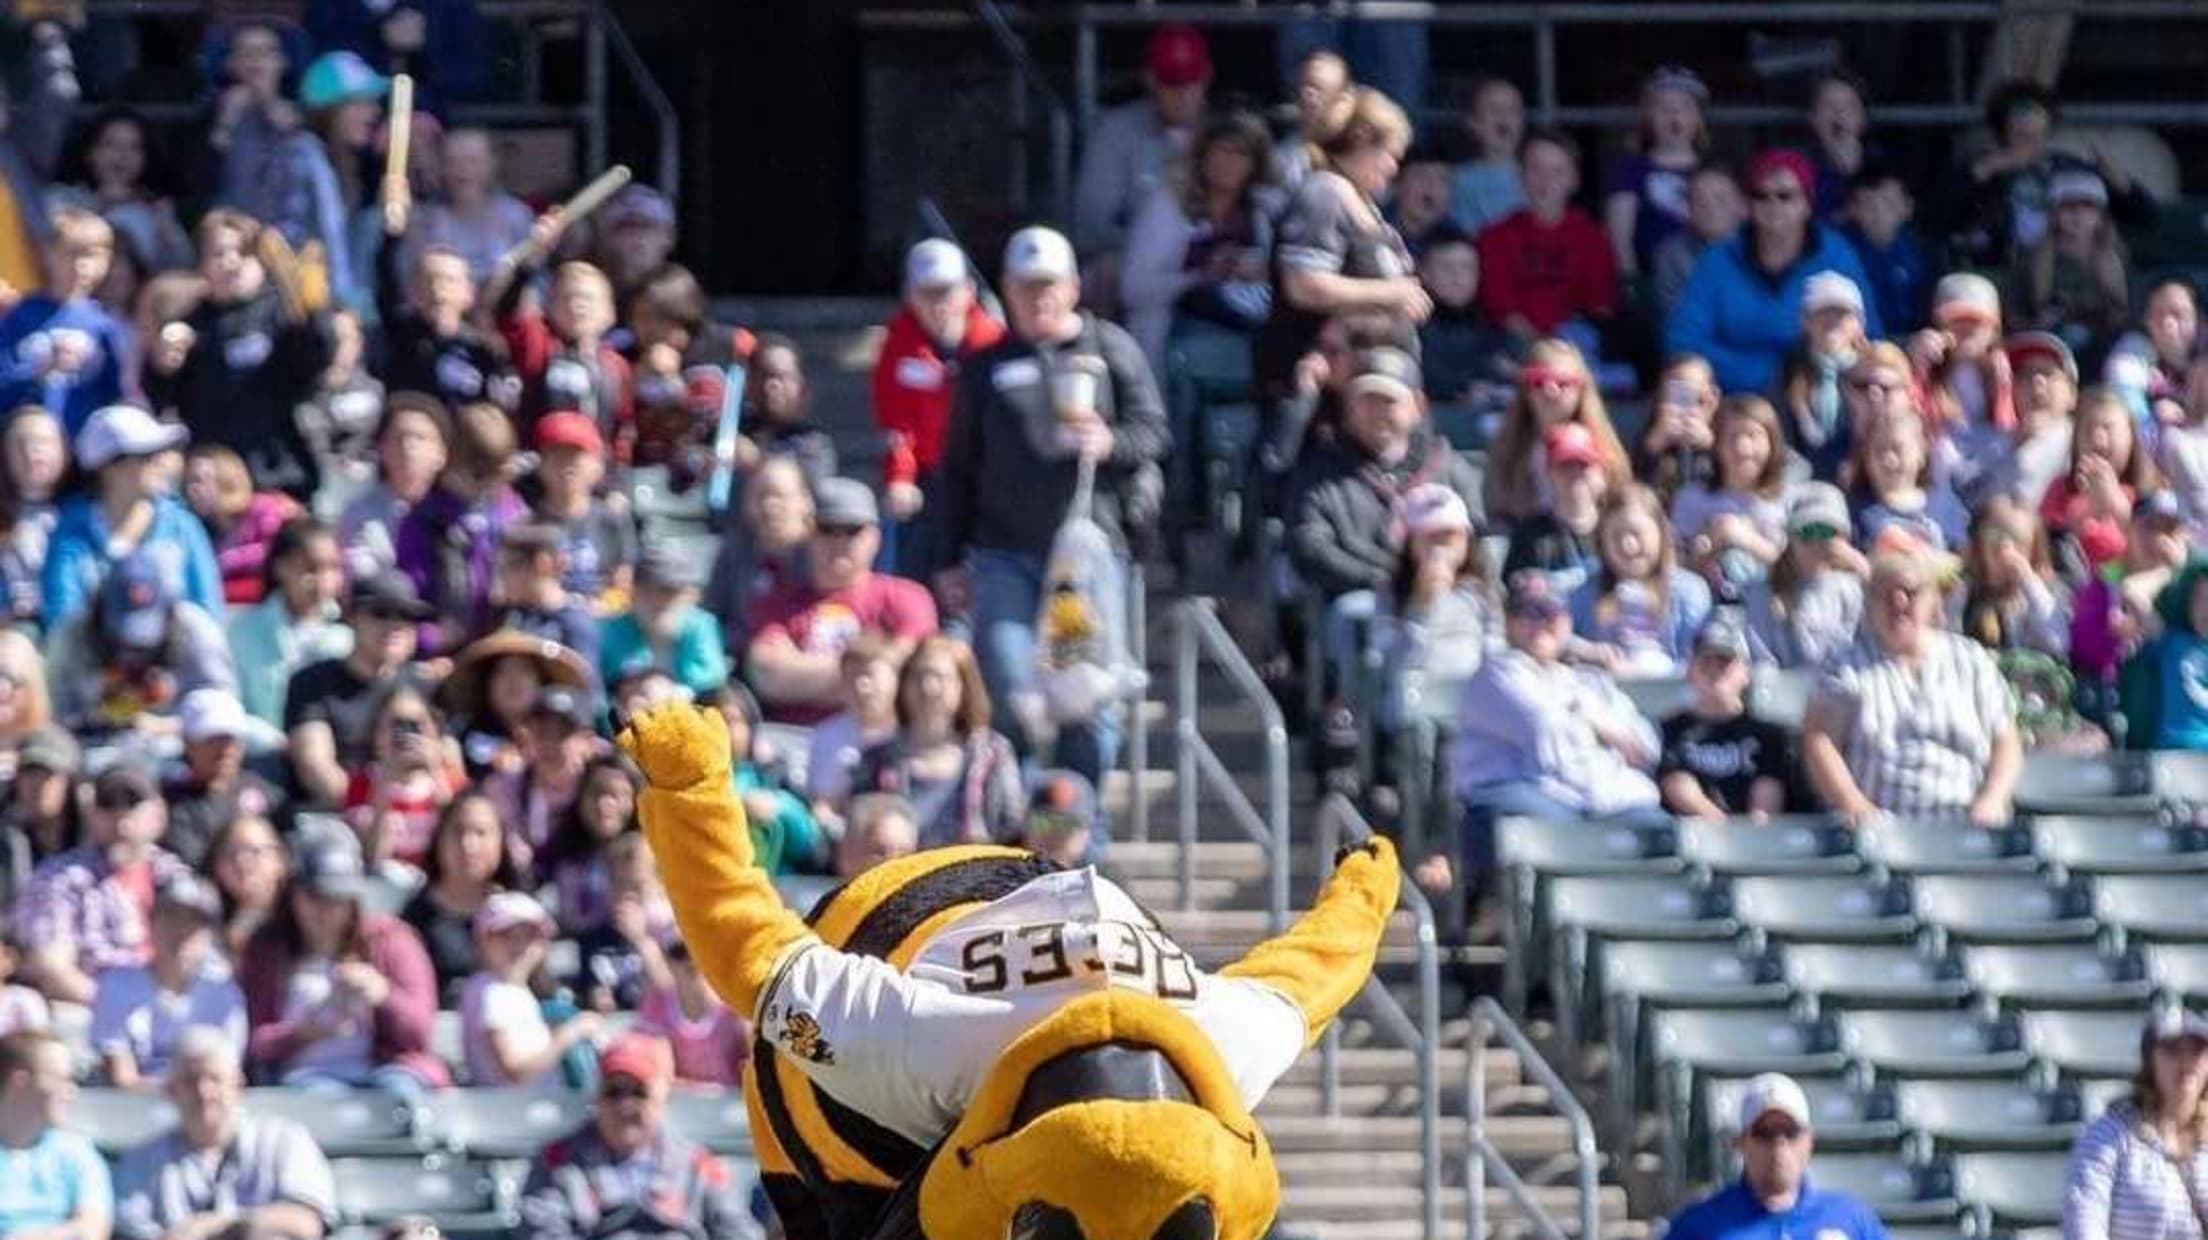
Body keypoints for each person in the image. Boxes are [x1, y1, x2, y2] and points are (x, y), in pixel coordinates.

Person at [616, 699, 1396, 1240]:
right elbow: (753, 954)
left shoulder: (1225, 1036)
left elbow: (1312, 971)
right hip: (877, 1052)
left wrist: (693, 791)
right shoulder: (918, 1043)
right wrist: (694, 792)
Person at [1451, 571, 1671, 870]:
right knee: (1548, 827)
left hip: (1594, 801)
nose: (1540, 622)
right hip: (1521, 794)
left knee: (1658, 828)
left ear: (1567, 622)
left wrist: (1589, 719)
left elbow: (1646, 750)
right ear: (1509, 623)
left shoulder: (1590, 681)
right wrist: (1604, 732)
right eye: (1526, 612)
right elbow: (1548, 737)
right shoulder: (1496, 674)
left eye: (1550, 612)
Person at [1801, 544, 2023, 825]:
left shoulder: (1971, 660)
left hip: (1967, 823)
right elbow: (1819, 741)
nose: (1899, 603)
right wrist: (1853, 804)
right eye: (1885, 594)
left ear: (1933, 601)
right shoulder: (1842, 667)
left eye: (1911, 592)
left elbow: (2006, 741)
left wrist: (1993, 798)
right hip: (1878, 828)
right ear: (1868, 605)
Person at [1252, 87, 1426, 404]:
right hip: (1317, 389)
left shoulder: (1362, 201)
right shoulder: (1324, 193)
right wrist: (1393, 293)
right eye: (1389, 154)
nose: (1393, 168)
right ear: (1361, 140)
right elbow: (1303, 285)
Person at [236, 835, 447, 1095]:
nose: (324, 910)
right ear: (293, 895)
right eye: (314, 897)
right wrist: (303, 1033)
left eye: (336, 899)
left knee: (396, 1095)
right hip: (305, 1077)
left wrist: (382, 995)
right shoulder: (267, 949)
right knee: (314, 1102)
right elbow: (251, 1041)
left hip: (386, 1070)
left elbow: (420, 1033)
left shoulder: (392, 940)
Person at [146, 210, 334, 501]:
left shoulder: (282, 312)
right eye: (217, 254)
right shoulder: (189, 324)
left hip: (281, 475)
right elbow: (162, 401)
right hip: (216, 484)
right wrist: (162, 367)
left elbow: (315, 367)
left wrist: (312, 316)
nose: (231, 263)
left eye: (243, 253)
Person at [1667, 148, 1884, 393]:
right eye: (1761, 195)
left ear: (1807, 203)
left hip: (1822, 396)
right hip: (1734, 402)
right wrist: (1764, 374)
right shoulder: (1717, 259)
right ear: (1749, 205)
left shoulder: (1837, 255)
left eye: (1785, 195)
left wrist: (1810, 374)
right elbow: (1683, 341)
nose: (1772, 204)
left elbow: (1868, 335)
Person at [517, 1031, 760, 1240]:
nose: (625, 1105)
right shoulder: (557, 1163)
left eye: (639, 1092)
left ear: (665, 1098)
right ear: (596, 1096)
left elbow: (739, 1231)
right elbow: (540, 1232)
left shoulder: (698, 1164)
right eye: (613, 1092)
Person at [112, 1027, 337, 1240]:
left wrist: (218, 1225)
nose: (204, 1092)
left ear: (238, 1084)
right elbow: (132, 1230)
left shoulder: (285, 1140)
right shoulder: (142, 1160)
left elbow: (306, 1222)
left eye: (215, 1079)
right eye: (191, 1081)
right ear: (171, 1090)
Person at [748, 478, 935, 725]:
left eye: (852, 530)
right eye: (827, 529)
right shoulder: (779, 600)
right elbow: (768, 675)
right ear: (809, 534)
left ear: (874, 537)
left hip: (883, 740)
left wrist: (803, 676)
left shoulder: (908, 598)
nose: (839, 542)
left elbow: (913, 670)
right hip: (792, 738)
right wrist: (870, 674)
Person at [871, 238, 1005, 575]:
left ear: (968, 291)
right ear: (909, 295)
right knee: (912, 548)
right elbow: (896, 421)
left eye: (947, 291)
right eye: (928, 293)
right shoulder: (898, 345)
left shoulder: (995, 342)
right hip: (929, 476)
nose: (939, 304)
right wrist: (900, 476)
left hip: (984, 475)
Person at [14, 766, 192, 1007]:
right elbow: (51, 967)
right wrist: (115, 1005)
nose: (120, 817)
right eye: (109, 804)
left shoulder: (176, 876)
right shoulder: (60, 878)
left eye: (132, 803)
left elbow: (201, 955)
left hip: (168, 1008)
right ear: (91, 813)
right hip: (89, 1009)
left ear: (158, 815)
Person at [1119, 109, 1276, 379]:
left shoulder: (1262, 212)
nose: (1228, 162)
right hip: (1168, 340)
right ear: (1203, 155)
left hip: (1244, 337)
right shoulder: (1167, 206)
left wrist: (1259, 270)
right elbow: (1133, 289)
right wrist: (1200, 277)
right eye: (1221, 150)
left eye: (1240, 154)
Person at [43, 403, 223, 629]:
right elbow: (62, 618)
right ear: (106, 468)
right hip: (92, 656)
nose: (160, 463)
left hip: (175, 655)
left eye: (161, 453)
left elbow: (208, 611)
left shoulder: (183, 525)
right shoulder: (69, 531)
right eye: (146, 456)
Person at [850, 634, 1025, 849]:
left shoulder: (993, 754)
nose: (928, 687)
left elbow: (1011, 827)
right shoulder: (876, 757)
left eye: (941, 678)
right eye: (918, 676)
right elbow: (858, 832)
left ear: (963, 686)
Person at [1957, 79, 2153, 270]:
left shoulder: (2071, 168)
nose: (2029, 142)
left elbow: (2145, 216)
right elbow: (1938, 217)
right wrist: (1985, 169)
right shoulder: (1983, 171)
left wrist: (2119, 181)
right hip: (2005, 267)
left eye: (2037, 133)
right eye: (2020, 133)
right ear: (2002, 133)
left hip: (2070, 265)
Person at [1072, 23, 1212, 286]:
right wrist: (1160, 249)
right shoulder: (1116, 131)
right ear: (1150, 79)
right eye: (1171, 82)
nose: (1182, 94)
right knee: (1103, 270)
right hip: (1141, 267)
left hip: (1213, 270)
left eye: (1190, 80)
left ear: (1206, 76)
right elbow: (1089, 227)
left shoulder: (1226, 134)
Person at [1668, 1073, 1888, 1240]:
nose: (1779, 1144)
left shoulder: (1850, 1218)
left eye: (1790, 1132)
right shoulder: (1700, 1225)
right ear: (1742, 1142)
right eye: (1765, 1133)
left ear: (1809, 1141)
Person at [284, 572, 432, 806]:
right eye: (380, 613)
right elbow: (316, 771)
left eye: (405, 615)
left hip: (411, 816)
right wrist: (370, 811)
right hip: (332, 818)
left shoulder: (423, 685)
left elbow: (441, 766)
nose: (394, 625)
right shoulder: (312, 683)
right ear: (352, 616)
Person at [2063, 1007, 2208, 1240]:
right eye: (2172, 1050)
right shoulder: (2109, 1135)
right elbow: (2084, 1221)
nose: (2185, 1062)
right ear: (2149, 1061)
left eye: (2197, 1051)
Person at [90, 878, 247, 1090]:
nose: (181, 932)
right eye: (171, 918)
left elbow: (226, 1076)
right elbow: (122, 1078)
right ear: (152, 923)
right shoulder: (117, 984)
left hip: (202, 1104)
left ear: (210, 934)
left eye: (193, 923)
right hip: (132, 1110)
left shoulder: (224, 994)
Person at [1477, 128, 1618, 343]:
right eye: (1536, 169)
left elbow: (1600, 308)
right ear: (1520, 174)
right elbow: (1502, 311)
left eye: (1557, 171)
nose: (1545, 180)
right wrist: (1541, 347)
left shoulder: (1592, 237)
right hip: (1514, 346)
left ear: (1574, 179)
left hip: (1577, 347)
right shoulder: (1494, 238)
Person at [0, 207, 128, 437]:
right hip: (25, 443)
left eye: (91, 255)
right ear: (48, 254)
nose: (80, 265)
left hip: (81, 448)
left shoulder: (104, 325)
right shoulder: (20, 315)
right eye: (71, 253)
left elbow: (114, 395)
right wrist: (40, 370)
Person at [1659, 616, 1794, 821]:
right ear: (1690, 670)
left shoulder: (1767, 735)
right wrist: (1723, 829)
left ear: (1745, 673)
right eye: (1705, 661)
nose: (1714, 670)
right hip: (1694, 835)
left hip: (1755, 839)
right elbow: (1678, 785)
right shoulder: (1670, 729)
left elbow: (1766, 798)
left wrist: (1747, 836)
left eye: (1724, 662)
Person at [460, 891, 600, 1088]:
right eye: (506, 935)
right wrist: (570, 1033)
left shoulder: (507, 989)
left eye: (529, 936)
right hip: (512, 1114)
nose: (518, 945)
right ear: (483, 941)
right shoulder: (492, 992)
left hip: (530, 1110)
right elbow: (515, 1072)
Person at [228, 517, 351, 727]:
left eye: (332, 568)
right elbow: (231, 704)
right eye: (311, 568)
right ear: (280, 567)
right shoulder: (241, 630)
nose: (322, 580)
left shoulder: (347, 637)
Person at [0, 1029, 111, 1240]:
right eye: (61, 1079)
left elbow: (93, 1229)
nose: (71, 1091)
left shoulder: (77, 1151)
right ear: (20, 1081)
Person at [1744, 483, 1869, 669]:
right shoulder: (1762, 591)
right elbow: (1761, 658)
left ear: (1844, 538)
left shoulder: (1855, 591)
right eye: (1807, 532)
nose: (1816, 541)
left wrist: (1865, 572)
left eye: (1826, 532)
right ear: (1790, 537)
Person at [161, 689, 285, 871]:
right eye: (212, 739)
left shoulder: (267, 793)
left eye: (231, 739)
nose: (224, 749)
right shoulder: (172, 804)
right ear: (188, 743)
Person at [1606, 66, 1710, 279]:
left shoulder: (1713, 169)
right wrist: (1630, 283)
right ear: (1648, 117)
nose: (1675, 116)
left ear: (1698, 119)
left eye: (1685, 107)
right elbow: (1619, 239)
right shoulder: (1631, 169)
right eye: (1664, 108)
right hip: (1650, 279)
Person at [337, 393, 451, 582]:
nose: (408, 447)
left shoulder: (455, 513)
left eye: (420, 438)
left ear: (442, 453)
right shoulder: (359, 514)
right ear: (381, 448)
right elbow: (360, 578)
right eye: (399, 438)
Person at [530, 411, 638, 610]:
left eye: (576, 456)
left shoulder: (612, 519)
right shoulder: (529, 523)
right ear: (541, 465)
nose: (567, 466)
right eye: (556, 455)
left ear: (597, 466)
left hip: (602, 620)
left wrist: (602, 606)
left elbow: (623, 587)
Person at [598, 543, 726, 700]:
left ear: (689, 595)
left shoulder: (701, 625)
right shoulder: (610, 631)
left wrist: (675, 695)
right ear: (633, 592)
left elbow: (711, 680)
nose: (658, 600)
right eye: (648, 590)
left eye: (669, 591)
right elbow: (600, 692)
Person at [408, 127, 532, 281]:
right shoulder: (424, 220)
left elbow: (535, 277)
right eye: (452, 161)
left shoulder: (516, 216)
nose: (463, 170)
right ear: (441, 167)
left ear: (491, 164)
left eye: (472, 161)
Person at [1650, 166, 1746, 324]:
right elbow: (1676, 316)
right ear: (1688, 208)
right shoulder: (1671, 253)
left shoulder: (1763, 244)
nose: (1710, 208)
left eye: (1720, 199)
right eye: (1699, 200)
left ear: (1742, 206)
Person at [1842, 162, 1929, 336]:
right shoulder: (1842, 253)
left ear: (1908, 207)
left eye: (1889, 204)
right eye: (1868, 205)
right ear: (1853, 209)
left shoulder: (1920, 253)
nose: (1879, 214)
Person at [1449, 77, 1526, 235]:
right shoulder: (1456, 181)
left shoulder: (1537, 177)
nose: (1504, 118)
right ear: (1473, 122)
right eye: (1493, 110)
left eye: (1512, 110)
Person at [1277, 50, 1355, 192]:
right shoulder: (1284, 158)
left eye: (1317, 88)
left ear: (1343, 98)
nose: (1306, 95)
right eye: (1301, 87)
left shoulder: (1364, 147)